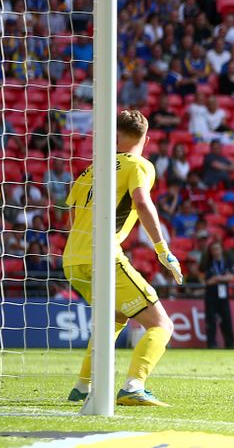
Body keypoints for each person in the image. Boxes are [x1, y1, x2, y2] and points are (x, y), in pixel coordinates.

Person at [62, 110, 182, 407]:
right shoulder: (139, 165)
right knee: (161, 325)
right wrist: (162, 250)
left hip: (73, 260)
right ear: (146, 138)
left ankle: (82, 386)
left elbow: (72, 217)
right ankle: (133, 386)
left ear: (115, 135)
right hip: (103, 256)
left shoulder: (91, 169)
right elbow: (142, 202)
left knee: (114, 318)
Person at [201, 241, 234, 349]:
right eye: (214, 249)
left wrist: (217, 278)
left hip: (223, 296)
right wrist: (222, 278)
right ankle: (211, 345)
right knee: (211, 321)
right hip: (211, 296)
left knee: (227, 320)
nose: (216, 251)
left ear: (221, 250)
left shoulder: (227, 262)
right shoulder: (208, 264)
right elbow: (206, 282)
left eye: (218, 248)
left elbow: (231, 277)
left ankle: (230, 345)